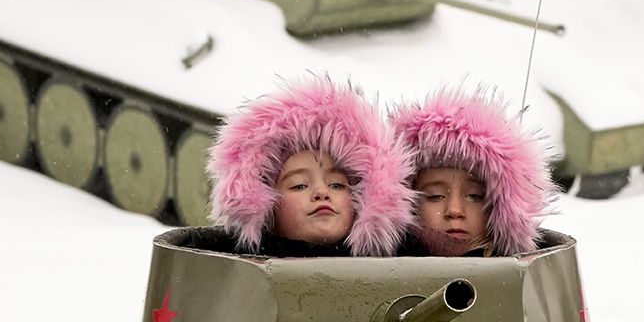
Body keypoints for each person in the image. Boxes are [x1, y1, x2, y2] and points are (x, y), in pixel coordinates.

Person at [203, 76, 415, 257]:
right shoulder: (238, 269)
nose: (321, 193)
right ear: (267, 211)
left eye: (337, 185)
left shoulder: (398, 266)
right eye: (299, 186)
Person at [391, 89, 556, 257]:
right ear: (407, 204)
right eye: (435, 196)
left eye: (474, 196)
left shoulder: (533, 272)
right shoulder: (375, 268)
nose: (454, 210)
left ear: (501, 209)